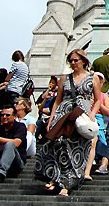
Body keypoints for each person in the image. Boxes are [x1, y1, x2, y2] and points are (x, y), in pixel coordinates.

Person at [34, 49, 101, 195]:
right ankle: (55, 177)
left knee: (76, 148)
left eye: (76, 60)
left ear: (83, 61)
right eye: (71, 60)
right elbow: (57, 101)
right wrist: (52, 118)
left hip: (81, 114)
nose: (73, 63)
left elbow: (98, 100)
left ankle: (66, 184)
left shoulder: (93, 77)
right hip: (63, 113)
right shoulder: (65, 78)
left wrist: (92, 115)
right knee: (58, 143)